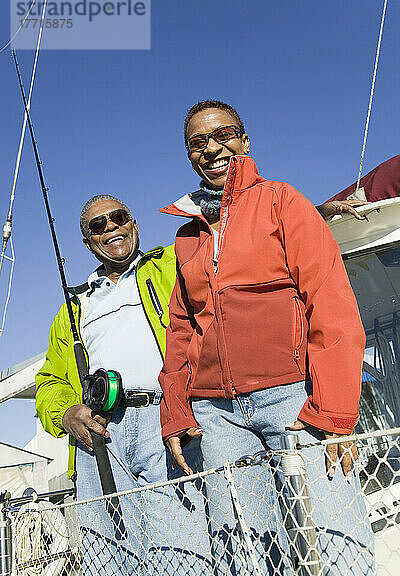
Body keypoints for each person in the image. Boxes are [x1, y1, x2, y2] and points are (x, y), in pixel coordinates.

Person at [158, 100, 375, 575]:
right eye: (198, 141)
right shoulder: (186, 236)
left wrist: (335, 410)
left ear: (245, 140)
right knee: (244, 548)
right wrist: (176, 410)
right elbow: (180, 330)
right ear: (188, 153)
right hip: (217, 417)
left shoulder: (282, 200)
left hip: (293, 399)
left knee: (336, 533)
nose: (212, 148)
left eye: (224, 134)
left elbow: (331, 299)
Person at [36, 195, 211, 576]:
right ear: (88, 242)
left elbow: (230, 239)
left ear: (134, 223)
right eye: (97, 225)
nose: (111, 226)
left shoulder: (170, 263)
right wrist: (66, 412)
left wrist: (316, 213)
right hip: (97, 437)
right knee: (107, 558)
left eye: (118, 218)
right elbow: (49, 381)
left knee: (182, 550)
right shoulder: (72, 308)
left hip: (164, 420)